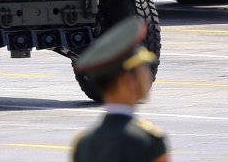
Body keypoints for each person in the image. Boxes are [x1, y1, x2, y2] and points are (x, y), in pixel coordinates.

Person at [70, 17, 169, 162]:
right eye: (142, 69)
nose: (148, 75)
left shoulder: (84, 143)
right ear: (128, 80)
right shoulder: (147, 142)